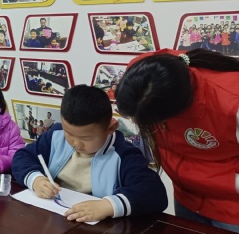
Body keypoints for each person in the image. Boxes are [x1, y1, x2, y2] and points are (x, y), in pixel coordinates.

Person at [115, 49, 239, 232]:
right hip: (185, 194)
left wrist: (227, 183)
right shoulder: (144, 74)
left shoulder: (231, 103)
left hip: (231, 205)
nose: (134, 122)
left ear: (177, 109)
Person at [13, 85, 167, 223]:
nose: (76, 143)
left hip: (97, 228)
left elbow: (154, 193)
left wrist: (108, 206)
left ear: (111, 128)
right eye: (69, 133)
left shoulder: (124, 154)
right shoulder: (56, 135)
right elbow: (22, 157)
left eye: (86, 138)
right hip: (53, 217)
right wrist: (36, 180)